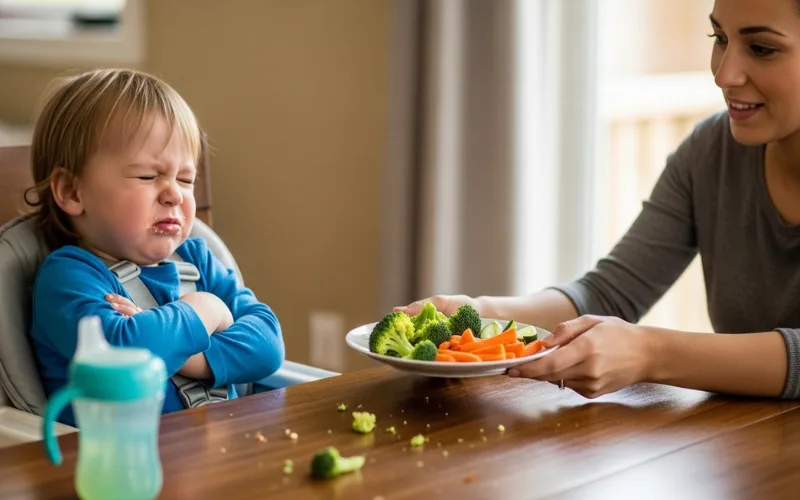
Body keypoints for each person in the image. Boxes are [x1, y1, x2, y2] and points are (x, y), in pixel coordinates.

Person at [398, 0, 800, 401]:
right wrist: (476, 312)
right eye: (720, 39)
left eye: (761, 48)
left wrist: (651, 352)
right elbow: (609, 296)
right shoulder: (711, 152)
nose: (725, 74)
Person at [26, 69, 284, 425]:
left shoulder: (197, 262)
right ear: (72, 192)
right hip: (123, 469)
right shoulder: (69, 278)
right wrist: (206, 309)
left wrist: (187, 356)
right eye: (148, 176)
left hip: (223, 456)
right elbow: (124, 354)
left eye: (185, 179)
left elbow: (268, 345)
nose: (174, 193)